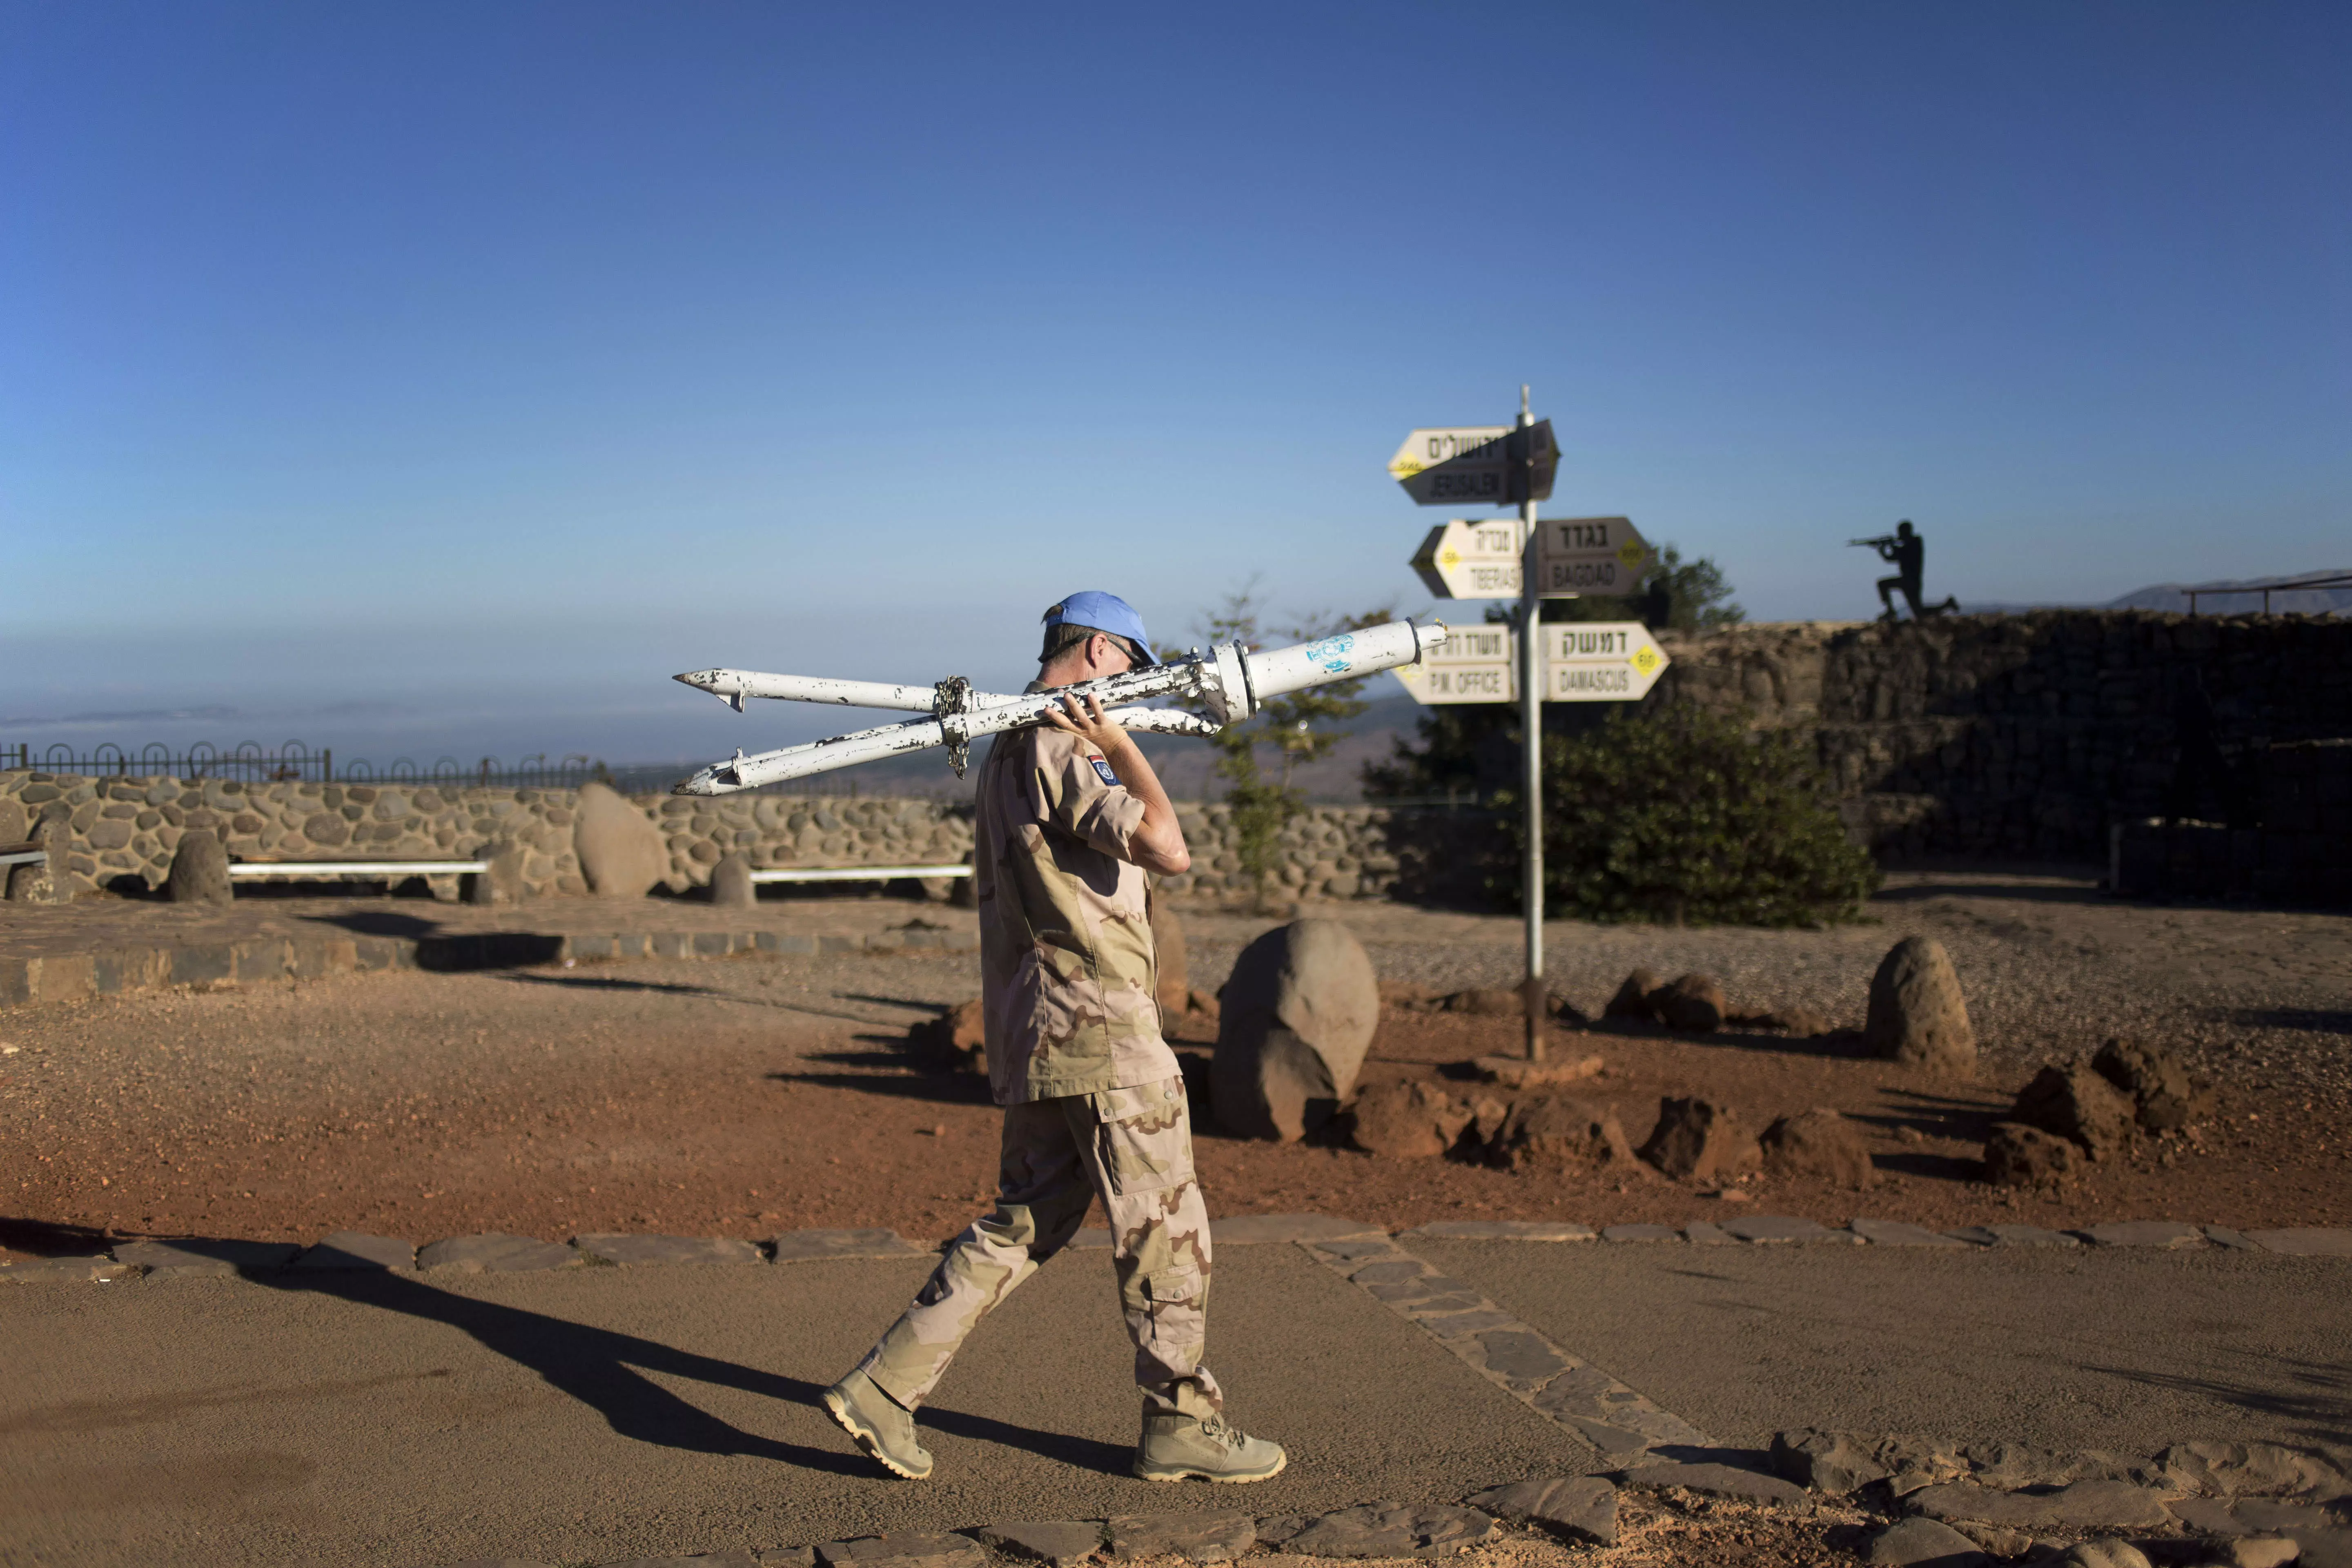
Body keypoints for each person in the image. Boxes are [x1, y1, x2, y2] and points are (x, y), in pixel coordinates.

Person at [821, 591, 1285, 1486]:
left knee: (1027, 1221)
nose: (1138, 692)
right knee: (1166, 1228)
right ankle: (1181, 1421)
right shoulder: (1065, 742)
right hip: (1103, 1031)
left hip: (1039, 1030)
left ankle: (885, 1388)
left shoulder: (1007, 742)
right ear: (1104, 651)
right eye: (1136, 672)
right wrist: (1122, 747)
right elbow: (1166, 847)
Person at [1860, 520, 1958, 621]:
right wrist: (1882, 550)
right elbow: (1891, 558)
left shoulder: (1915, 543)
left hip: (1911, 581)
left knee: (1882, 584)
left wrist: (1891, 546)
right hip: (1909, 581)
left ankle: (1890, 611)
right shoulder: (1911, 544)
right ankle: (1947, 605)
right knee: (1919, 613)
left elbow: (1901, 554)